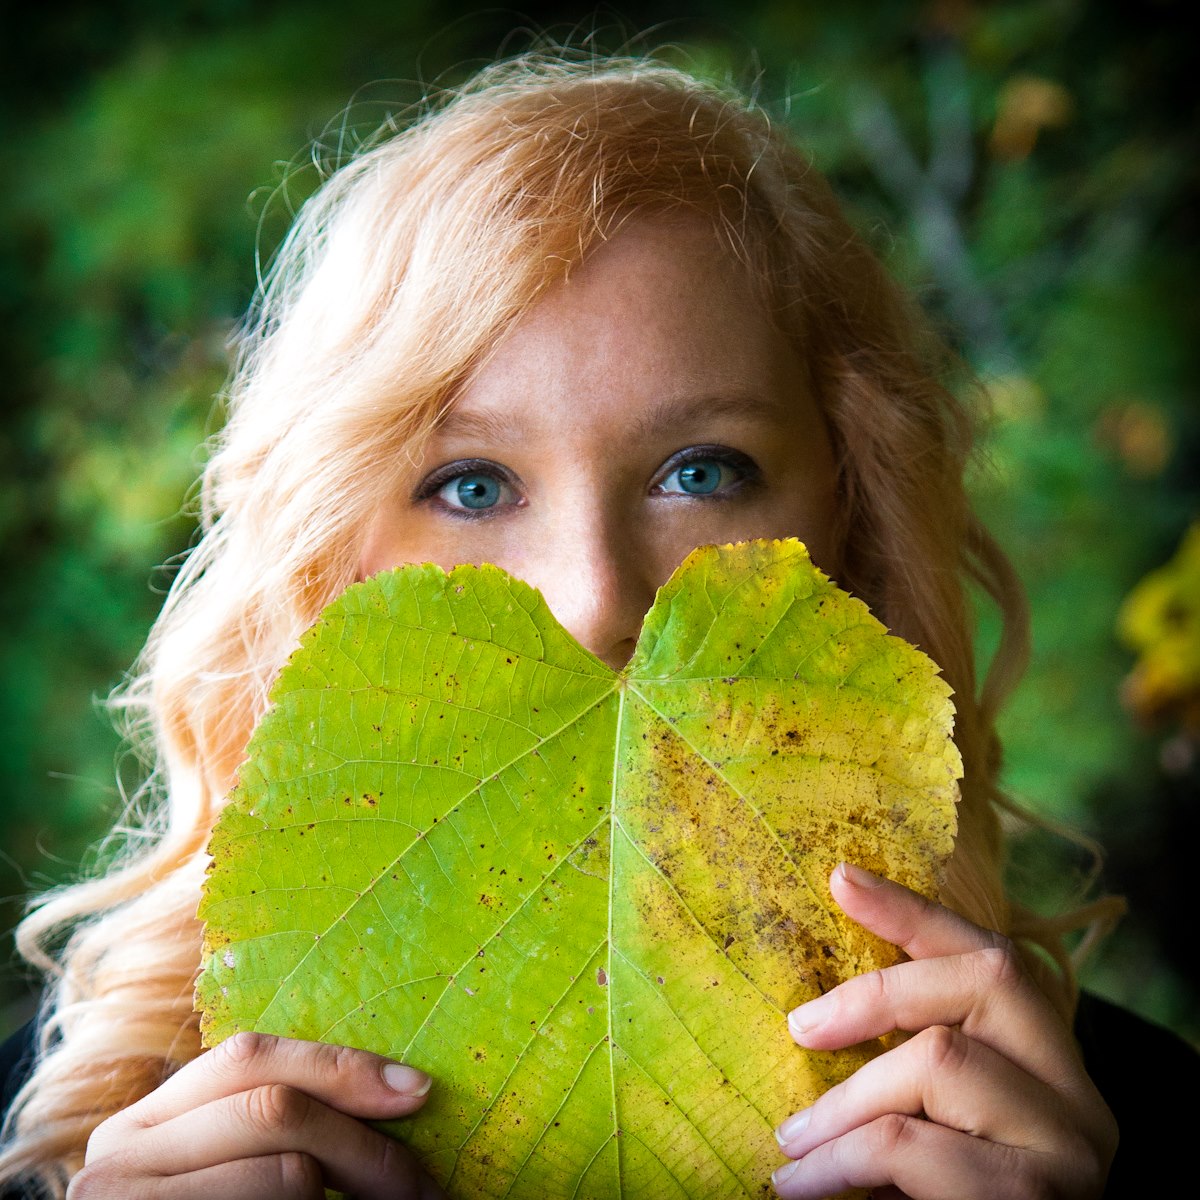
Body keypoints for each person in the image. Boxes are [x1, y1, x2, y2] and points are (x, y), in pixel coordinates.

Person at [0, 48, 1189, 1200]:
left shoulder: (1096, 1130)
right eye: (470, 484)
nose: (596, 601)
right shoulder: (87, 1132)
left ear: (852, 522)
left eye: (702, 472)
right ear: (334, 559)